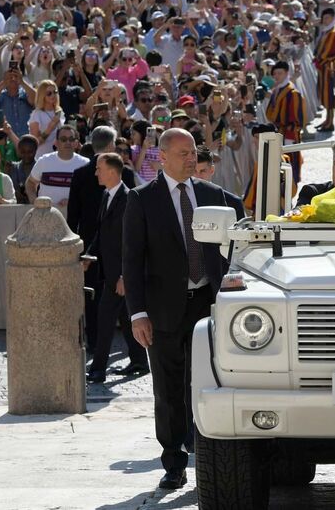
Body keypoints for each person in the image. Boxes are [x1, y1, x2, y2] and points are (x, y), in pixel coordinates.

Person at [122, 128, 244, 490]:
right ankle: (173, 461)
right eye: (183, 153)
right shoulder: (141, 200)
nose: (192, 158)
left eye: (194, 152)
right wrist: (137, 313)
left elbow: (237, 252)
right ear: (163, 157)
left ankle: (210, 454)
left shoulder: (216, 197)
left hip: (209, 306)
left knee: (209, 383)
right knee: (169, 388)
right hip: (162, 311)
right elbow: (132, 260)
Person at [67, 126, 137, 353]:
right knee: (119, 302)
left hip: (90, 246)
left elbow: (72, 216)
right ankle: (126, 355)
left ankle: (97, 346)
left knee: (94, 298)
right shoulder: (124, 172)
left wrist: (78, 248)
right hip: (116, 247)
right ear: (111, 145)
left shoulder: (79, 174)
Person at [82, 153, 148, 384]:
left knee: (104, 319)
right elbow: (102, 232)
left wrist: (124, 275)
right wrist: (89, 255)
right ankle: (140, 360)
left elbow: (131, 241)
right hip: (109, 272)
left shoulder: (129, 198)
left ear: (111, 171)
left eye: (99, 168)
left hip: (120, 275)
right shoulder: (106, 195)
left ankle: (98, 368)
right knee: (124, 317)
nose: (96, 172)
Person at [25, 125, 89, 214]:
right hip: (45, 216)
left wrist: (73, 201)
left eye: (71, 139)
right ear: (56, 142)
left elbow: (89, 191)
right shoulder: (44, 160)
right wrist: (34, 201)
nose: (68, 142)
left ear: (76, 143)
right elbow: (30, 183)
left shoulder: (85, 163)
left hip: (74, 216)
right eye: (63, 139)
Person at [264, 61, 306, 185]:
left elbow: (297, 119)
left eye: (280, 73)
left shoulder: (292, 93)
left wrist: (290, 136)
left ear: (287, 73)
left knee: (290, 165)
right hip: (278, 133)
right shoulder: (277, 90)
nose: (277, 76)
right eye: (275, 74)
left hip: (288, 135)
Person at [313, 8, 335, 133]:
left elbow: (328, 51)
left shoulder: (333, 33)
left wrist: (318, 59)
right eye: (323, 18)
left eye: (327, 18)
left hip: (328, 67)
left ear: (332, 18)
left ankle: (330, 122)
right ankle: (327, 120)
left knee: (330, 95)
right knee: (325, 95)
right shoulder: (326, 30)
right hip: (323, 67)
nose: (325, 20)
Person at [28, 80, 65, 158]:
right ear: (42, 95)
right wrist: (50, 128)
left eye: (55, 92)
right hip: (42, 157)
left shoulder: (59, 112)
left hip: (59, 156)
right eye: (49, 93)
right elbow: (34, 143)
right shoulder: (37, 114)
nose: (53, 95)